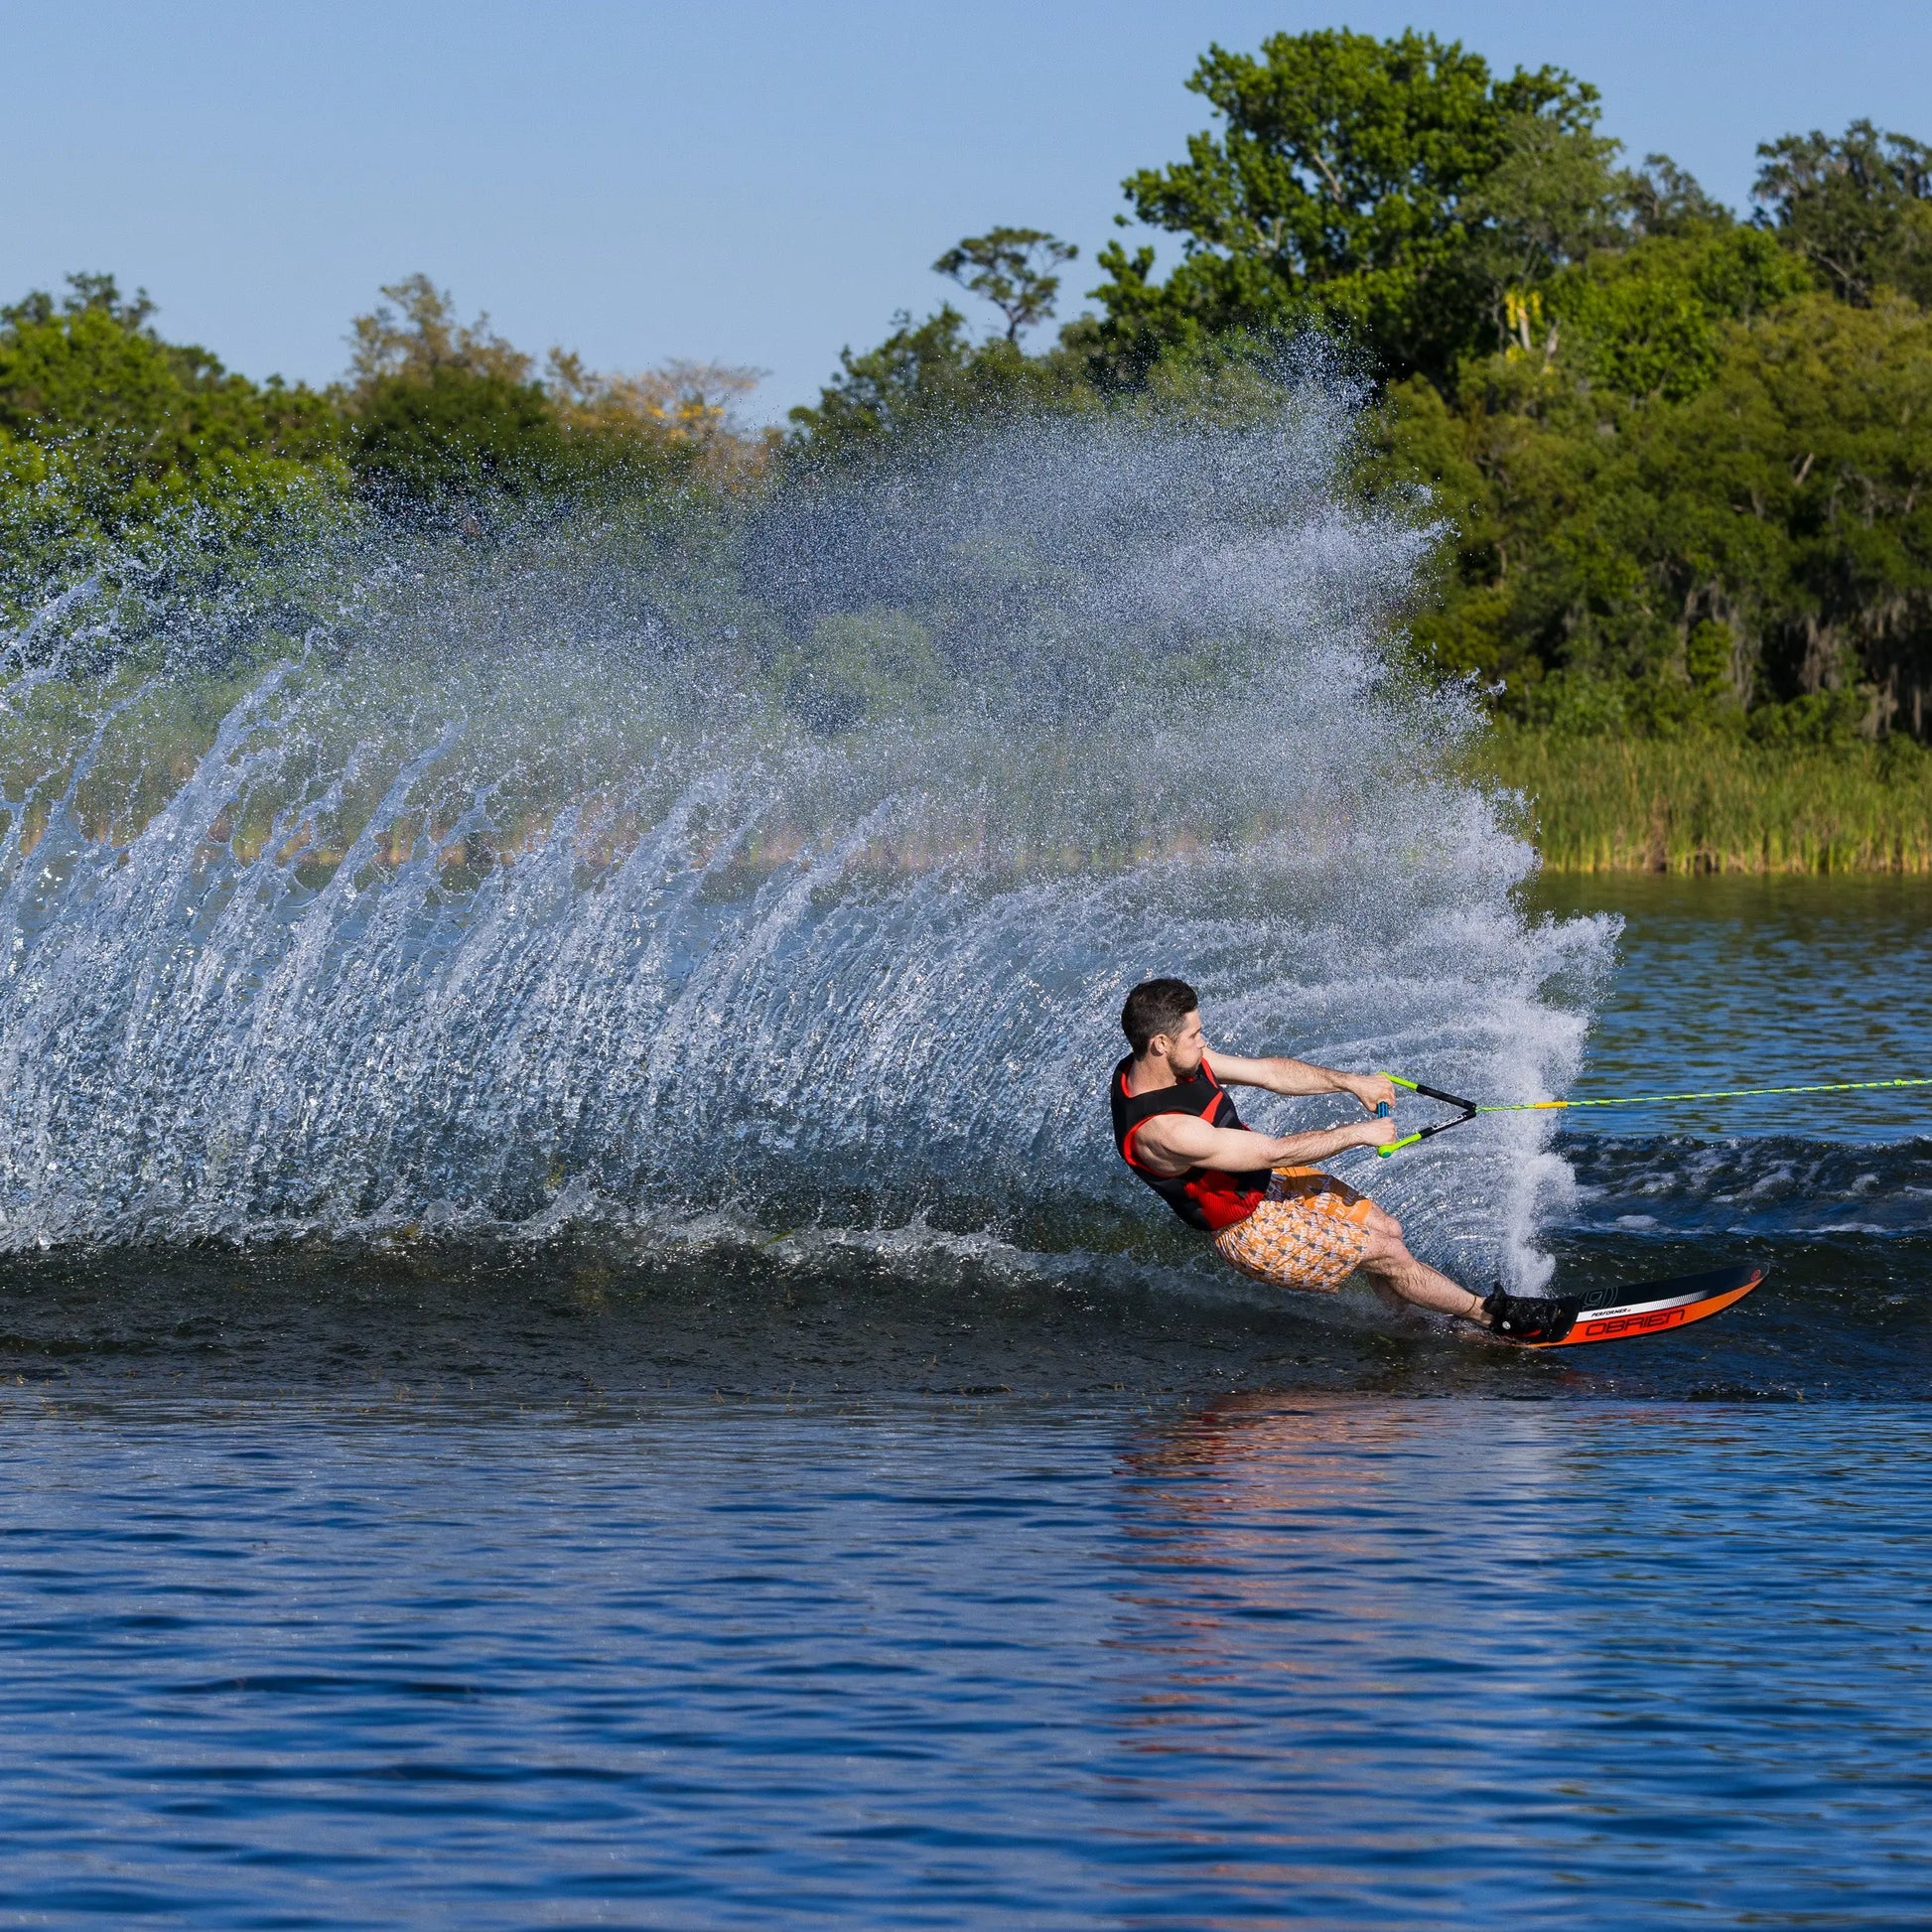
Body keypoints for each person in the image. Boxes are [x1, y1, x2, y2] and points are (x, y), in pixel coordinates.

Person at [1109, 977, 1575, 1343]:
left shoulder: (1177, 1060)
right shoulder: (1164, 1131)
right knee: (1389, 1255)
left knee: (1389, 1232)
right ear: (1160, 1045)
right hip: (1251, 1229)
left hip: (1267, 1181)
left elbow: (1268, 1073)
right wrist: (1358, 1134)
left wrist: (1350, 1081)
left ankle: (1413, 1327)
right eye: (1195, 1035)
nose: (1204, 1042)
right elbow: (1275, 1149)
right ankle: (1497, 1318)